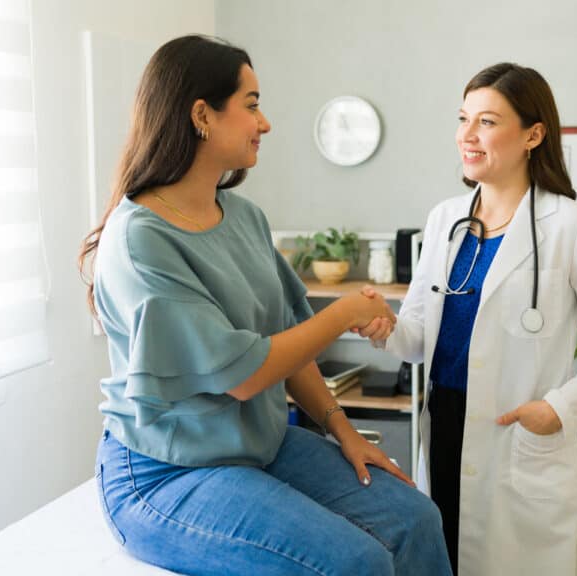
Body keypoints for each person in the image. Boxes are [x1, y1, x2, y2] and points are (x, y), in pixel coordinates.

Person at [77, 35, 451, 576]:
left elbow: (288, 342)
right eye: (251, 105)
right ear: (202, 115)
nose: (265, 123)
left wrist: (345, 433)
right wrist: (344, 313)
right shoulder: (140, 237)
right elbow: (244, 374)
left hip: (260, 446)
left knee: (416, 518)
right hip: (167, 472)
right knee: (355, 563)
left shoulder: (245, 218)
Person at [359, 63, 577, 575]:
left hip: (517, 432)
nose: (466, 135)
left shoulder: (575, 227)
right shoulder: (445, 219)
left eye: (487, 122)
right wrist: (384, 327)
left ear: (533, 135)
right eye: (463, 118)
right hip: (445, 427)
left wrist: (558, 409)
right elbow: (418, 338)